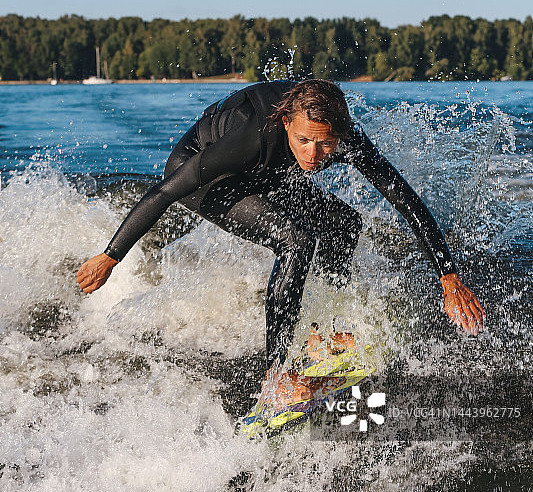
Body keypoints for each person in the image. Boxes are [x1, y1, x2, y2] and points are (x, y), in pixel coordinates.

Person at [77, 79, 484, 406]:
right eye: (305, 140)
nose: (315, 154)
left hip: (264, 173)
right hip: (200, 174)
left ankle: (320, 335)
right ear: (287, 123)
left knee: (344, 223)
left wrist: (448, 276)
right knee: (296, 240)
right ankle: (275, 376)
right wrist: (111, 255)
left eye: (326, 143)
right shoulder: (251, 138)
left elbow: (403, 195)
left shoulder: (340, 138)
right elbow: (165, 192)